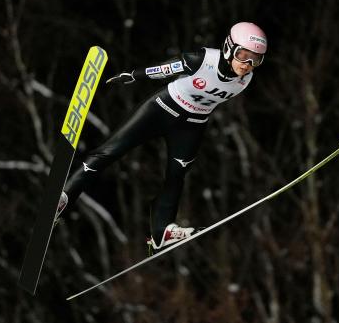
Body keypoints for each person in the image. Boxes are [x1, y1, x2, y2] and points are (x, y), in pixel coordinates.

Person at [57, 22, 268, 251]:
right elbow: (164, 69)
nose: (248, 64)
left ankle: (161, 231)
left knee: (176, 176)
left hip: (192, 125)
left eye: (256, 59)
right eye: (243, 55)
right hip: (160, 110)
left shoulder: (245, 80)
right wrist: (132, 75)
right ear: (229, 48)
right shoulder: (201, 60)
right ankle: (64, 198)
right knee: (109, 152)